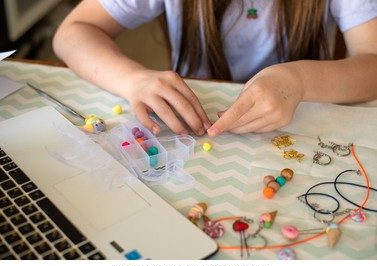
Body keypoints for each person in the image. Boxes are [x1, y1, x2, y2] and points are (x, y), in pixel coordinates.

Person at [53, 0, 377, 138]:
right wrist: (132, 79)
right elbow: (73, 32)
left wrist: (301, 80)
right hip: (198, 125)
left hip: (301, 126)